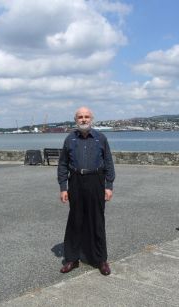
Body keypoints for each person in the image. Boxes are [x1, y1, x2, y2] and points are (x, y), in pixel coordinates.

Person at [57, 106, 115, 276]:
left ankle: (100, 259)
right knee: (75, 220)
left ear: (92, 119)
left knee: (97, 220)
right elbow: (62, 165)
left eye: (86, 116)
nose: (83, 119)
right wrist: (63, 187)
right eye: (80, 117)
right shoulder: (70, 139)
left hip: (96, 180)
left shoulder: (100, 138)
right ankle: (72, 258)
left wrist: (109, 185)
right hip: (75, 181)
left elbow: (109, 163)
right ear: (76, 120)